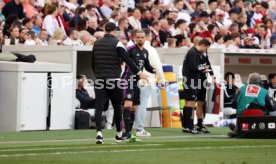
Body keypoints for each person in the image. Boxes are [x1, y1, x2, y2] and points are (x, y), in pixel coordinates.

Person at [92, 22, 148, 144]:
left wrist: (98, 75)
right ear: (114, 31)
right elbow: (127, 59)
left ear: (105, 29)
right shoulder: (117, 43)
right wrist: (139, 73)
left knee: (99, 107)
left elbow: (93, 63)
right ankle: (118, 134)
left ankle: (99, 134)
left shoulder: (96, 43)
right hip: (114, 80)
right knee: (117, 106)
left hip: (100, 79)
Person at [121, 30, 156, 141]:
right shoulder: (130, 49)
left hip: (137, 82)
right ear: (134, 38)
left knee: (135, 107)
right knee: (128, 104)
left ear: (145, 38)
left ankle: (130, 133)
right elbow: (124, 60)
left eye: (142, 37)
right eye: (138, 37)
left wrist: (155, 70)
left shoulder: (145, 52)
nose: (140, 39)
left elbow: (147, 66)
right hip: (128, 79)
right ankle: (126, 132)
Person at [135, 28, 165, 137]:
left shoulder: (134, 48)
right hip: (146, 80)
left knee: (135, 104)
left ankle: (132, 127)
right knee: (142, 104)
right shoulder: (151, 49)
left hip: (134, 79)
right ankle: (139, 129)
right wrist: (162, 78)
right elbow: (157, 66)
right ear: (148, 36)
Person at [182, 39, 213, 134]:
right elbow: (193, 67)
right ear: (203, 45)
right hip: (190, 80)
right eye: (206, 49)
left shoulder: (195, 53)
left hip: (192, 80)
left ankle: (188, 126)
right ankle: (189, 126)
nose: (205, 51)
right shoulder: (193, 53)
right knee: (190, 102)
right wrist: (204, 68)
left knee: (190, 102)